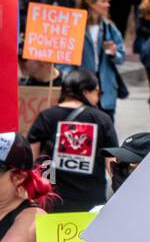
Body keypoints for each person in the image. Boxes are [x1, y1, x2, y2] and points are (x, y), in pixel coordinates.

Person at [27, 69, 118, 212]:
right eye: (98, 93)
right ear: (87, 91)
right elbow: (112, 164)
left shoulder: (46, 116)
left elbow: (30, 159)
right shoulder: (102, 119)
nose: (98, 98)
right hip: (91, 200)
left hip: (52, 199)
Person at [77, 0, 128, 122]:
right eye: (103, 1)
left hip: (106, 87)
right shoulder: (77, 26)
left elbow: (121, 58)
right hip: (83, 86)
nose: (108, 5)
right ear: (91, 4)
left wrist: (114, 53)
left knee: (107, 128)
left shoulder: (109, 27)